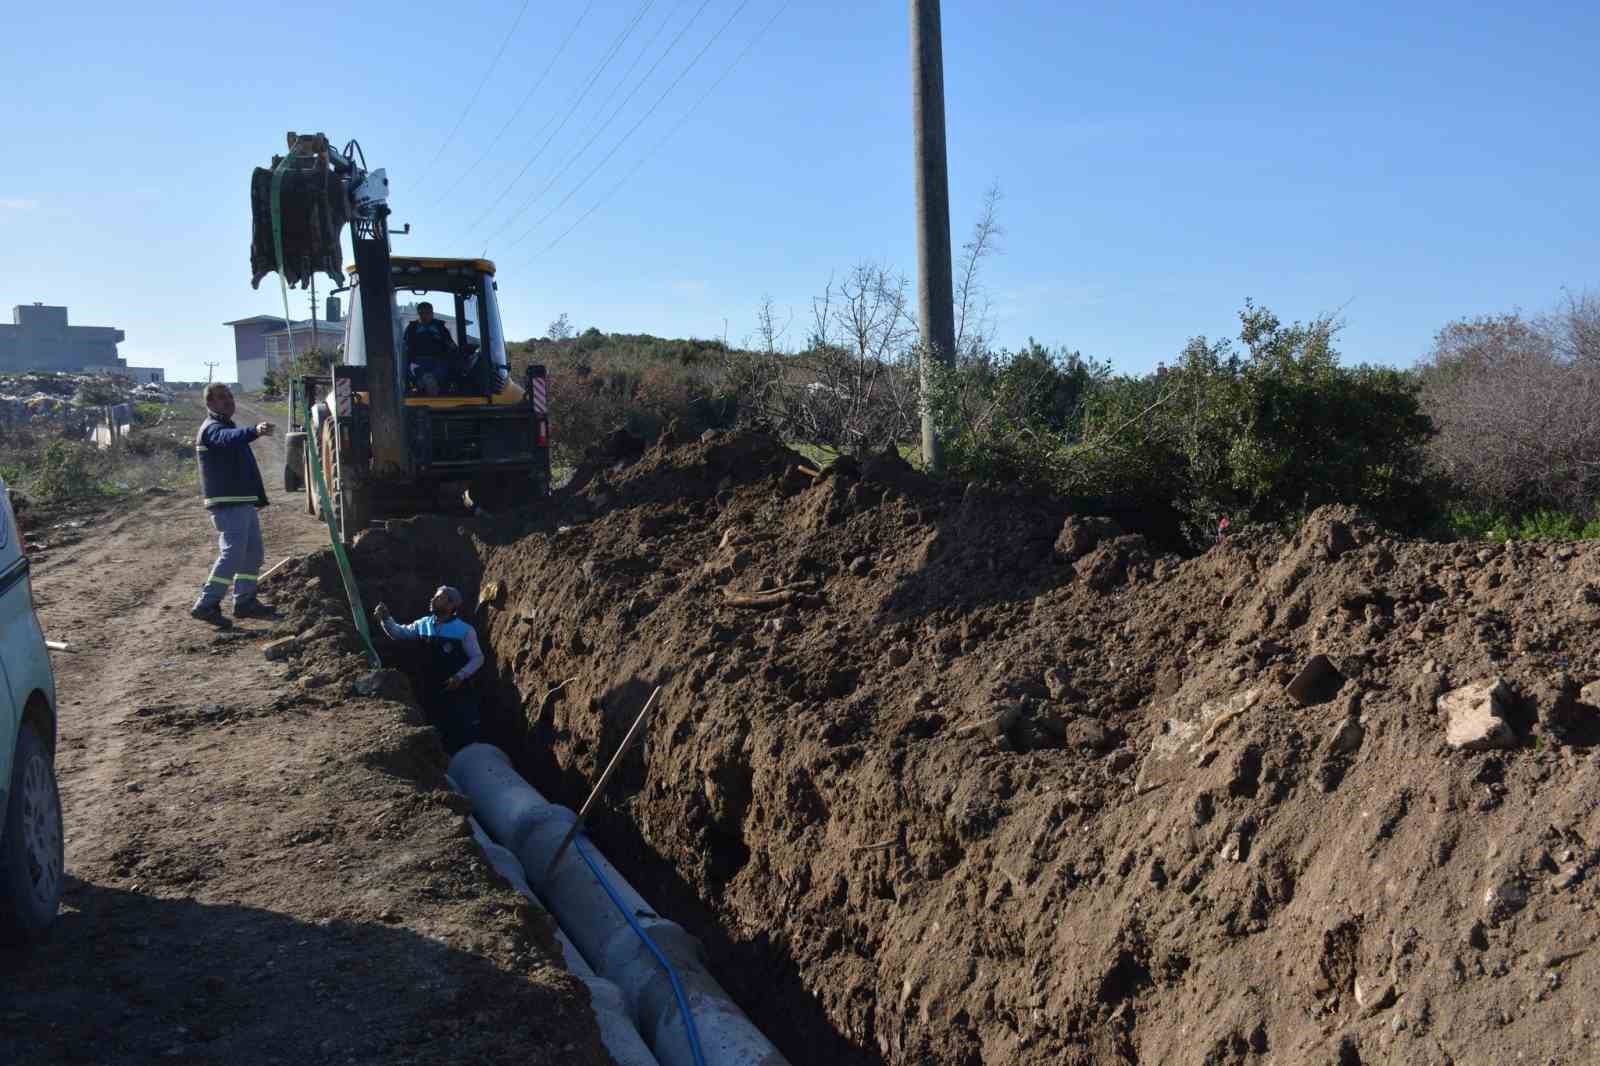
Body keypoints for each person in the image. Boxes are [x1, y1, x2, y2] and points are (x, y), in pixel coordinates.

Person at [191, 383, 275, 626]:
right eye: (221, 398)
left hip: (241, 503)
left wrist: (257, 498)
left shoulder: (226, 426)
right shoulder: (213, 429)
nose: (228, 401)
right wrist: (255, 431)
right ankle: (207, 604)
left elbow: (245, 466)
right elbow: (227, 438)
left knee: (252, 554)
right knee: (233, 554)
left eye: (229, 396)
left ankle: (245, 601)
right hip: (228, 504)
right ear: (210, 404)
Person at [372, 586, 483, 752]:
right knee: (436, 727)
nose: (433, 599)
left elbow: (478, 657)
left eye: (440, 597)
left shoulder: (464, 630)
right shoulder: (424, 624)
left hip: (457, 690)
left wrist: (460, 676)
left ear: (452, 605)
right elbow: (399, 633)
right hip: (429, 688)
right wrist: (386, 619)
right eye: (435, 596)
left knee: (461, 730)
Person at [402, 302, 459, 395]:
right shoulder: (411, 328)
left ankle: (426, 382)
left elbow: (450, 344)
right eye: (422, 313)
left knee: (444, 368)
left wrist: (453, 348)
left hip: (438, 360)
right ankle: (425, 382)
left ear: (432, 313)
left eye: (428, 313)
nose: (425, 316)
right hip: (417, 361)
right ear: (418, 314)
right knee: (413, 368)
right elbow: (404, 346)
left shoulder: (440, 327)